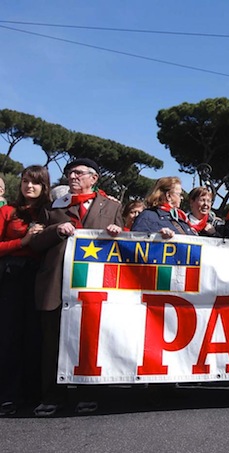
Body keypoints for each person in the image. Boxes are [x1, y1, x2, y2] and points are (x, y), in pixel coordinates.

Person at [31, 158, 123, 416]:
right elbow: (36, 243)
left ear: (93, 178)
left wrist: (119, 231)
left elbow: (125, 242)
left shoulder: (112, 206)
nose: (73, 177)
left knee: (89, 341)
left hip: (92, 285)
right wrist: (56, 231)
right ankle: (52, 395)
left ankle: (87, 392)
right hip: (56, 284)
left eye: (79, 173)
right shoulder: (54, 208)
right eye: (70, 173)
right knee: (52, 343)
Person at [0, 166, 50, 416]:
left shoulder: (50, 213)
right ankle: (8, 395)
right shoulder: (7, 211)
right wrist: (22, 242)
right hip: (12, 278)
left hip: (40, 279)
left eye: (35, 182)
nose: (28, 186)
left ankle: (33, 393)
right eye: (24, 181)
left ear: (44, 186)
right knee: (9, 336)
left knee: (35, 336)